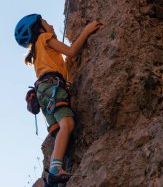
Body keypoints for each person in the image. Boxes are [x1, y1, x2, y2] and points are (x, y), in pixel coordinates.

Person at [14, 14, 102, 184]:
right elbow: (71, 51)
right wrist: (86, 31)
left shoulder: (38, 52)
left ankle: (56, 171)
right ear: (39, 28)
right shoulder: (45, 38)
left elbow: (63, 64)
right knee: (67, 124)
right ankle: (55, 168)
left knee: (63, 131)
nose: (51, 24)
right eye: (46, 22)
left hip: (43, 93)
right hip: (52, 88)